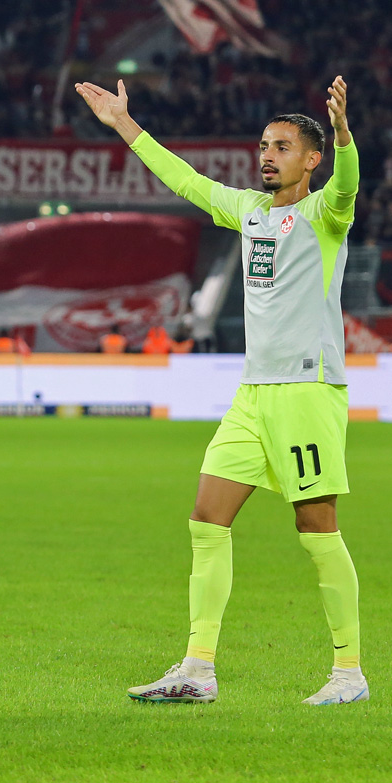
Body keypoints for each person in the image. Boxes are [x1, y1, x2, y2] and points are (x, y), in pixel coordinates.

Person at [77, 76, 367, 704]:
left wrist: (343, 132)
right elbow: (182, 179)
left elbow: (347, 183)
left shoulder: (323, 214)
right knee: (207, 520)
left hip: (307, 392)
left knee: (317, 528)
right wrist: (125, 125)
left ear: (311, 159)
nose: (267, 154)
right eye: (264, 144)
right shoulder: (249, 211)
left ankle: (349, 673)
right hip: (253, 395)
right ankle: (198, 669)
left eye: (283, 146)